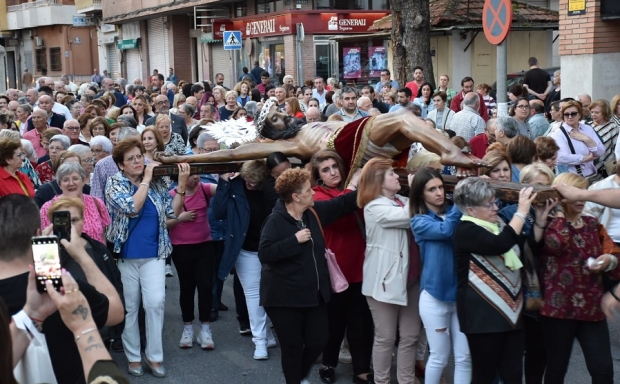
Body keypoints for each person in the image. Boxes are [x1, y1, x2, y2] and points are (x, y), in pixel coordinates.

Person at [156, 97, 486, 178]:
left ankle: (450, 155)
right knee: (400, 115)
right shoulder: (282, 143)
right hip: (347, 147)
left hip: (358, 138)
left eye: (281, 112)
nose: (284, 116)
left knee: (407, 119)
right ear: (270, 131)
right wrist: (179, 158)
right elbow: (228, 156)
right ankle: (450, 155)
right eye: (275, 119)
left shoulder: (313, 122)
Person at [259, 167, 360, 384]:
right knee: (292, 347)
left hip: (314, 296)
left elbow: (341, 204)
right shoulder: (275, 220)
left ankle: (298, 375)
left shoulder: (313, 213)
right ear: (296, 197)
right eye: (308, 190)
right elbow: (265, 253)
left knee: (318, 341)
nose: (314, 193)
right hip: (283, 299)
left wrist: (366, 182)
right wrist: (293, 241)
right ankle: (294, 379)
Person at [105, 138, 189, 378]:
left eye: (139, 156)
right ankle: (133, 357)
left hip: (155, 253)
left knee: (155, 303)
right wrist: (146, 180)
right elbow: (131, 207)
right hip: (126, 256)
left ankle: (154, 356)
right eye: (130, 158)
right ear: (121, 165)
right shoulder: (115, 183)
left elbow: (174, 211)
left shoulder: (157, 183)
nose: (137, 161)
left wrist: (181, 185)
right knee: (130, 308)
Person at [452, 177, 537, 383]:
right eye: (488, 204)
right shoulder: (465, 230)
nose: (495, 207)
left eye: (494, 201)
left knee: (513, 374)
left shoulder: (500, 224)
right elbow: (499, 244)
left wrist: (540, 218)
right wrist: (522, 211)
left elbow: (526, 245)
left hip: (512, 312)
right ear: (471, 210)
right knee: (485, 375)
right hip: (482, 317)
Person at [541, 172, 620, 383]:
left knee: (603, 370)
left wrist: (607, 261)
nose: (583, 199)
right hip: (559, 310)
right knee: (557, 369)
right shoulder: (548, 223)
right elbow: (556, 244)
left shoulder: (592, 224)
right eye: (576, 194)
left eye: (583, 193)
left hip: (591, 307)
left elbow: (613, 255)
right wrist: (558, 214)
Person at [310, 150, 373, 384]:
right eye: (325, 170)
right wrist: (354, 186)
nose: (332, 172)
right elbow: (338, 213)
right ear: (318, 176)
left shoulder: (355, 190)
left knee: (361, 323)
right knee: (333, 322)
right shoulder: (317, 195)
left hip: (361, 265)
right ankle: (328, 363)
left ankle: (362, 369)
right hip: (334, 270)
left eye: (334, 166)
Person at [358, 158, 421, 384]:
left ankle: (406, 381)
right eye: (392, 174)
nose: (397, 177)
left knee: (411, 336)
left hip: (412, 280)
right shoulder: (374, 206)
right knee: (385, 337)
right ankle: (381, 381)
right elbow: (407, 217)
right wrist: (416, 190)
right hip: (384, 281)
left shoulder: (403, 200)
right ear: (379, 181)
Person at [410, 167, 472, 384]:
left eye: (440, 187)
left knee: (465, 357)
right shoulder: (419, 221)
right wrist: (460, 199)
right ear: (421, 194)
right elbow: (446, 231)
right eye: (431, 189)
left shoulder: (457, 211)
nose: (438, 192)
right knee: (439, 357)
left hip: (462, 296)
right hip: (435, 298)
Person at [212, 160, 277, 360]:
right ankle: (259, 341)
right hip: (244, 249)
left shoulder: (269, 188)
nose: (249, 184)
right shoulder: (235, 184)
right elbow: (218, 212)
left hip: (269, 249)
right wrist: (223, 183)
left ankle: (267, 332)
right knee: (253, 295)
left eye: (254, 183)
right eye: (247, 180)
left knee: (271, 293)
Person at [169, 173, 218, 349]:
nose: (195, 177)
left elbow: (222, 190)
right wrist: (179, 218)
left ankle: (205, 329)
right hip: (181, 247)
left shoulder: (204, 189)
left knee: (205, 286)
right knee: (187, 287)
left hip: (205, 245)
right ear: (180, 178)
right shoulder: (171, 195)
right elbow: (163, 223)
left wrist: (227, 176)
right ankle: (187, 327)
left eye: (197, 173)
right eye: (190, 175)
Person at [549, 100, 605, 180]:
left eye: (573, 114)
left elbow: (601, 151)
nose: (570, 116)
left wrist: (586, 139)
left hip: (592, 175)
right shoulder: (558, 133)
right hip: (572, 179)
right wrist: (585, 158)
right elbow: (561, 157)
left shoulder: (587, 129)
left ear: (580, 114)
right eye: (566, 114)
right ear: (562, 116)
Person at [589, 99, 619, 177]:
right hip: (590, 165)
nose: (593, 115)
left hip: (607, 168)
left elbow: (616, 148)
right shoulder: (587, 126)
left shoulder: (612, 126)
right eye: (592, 112)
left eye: (597, 112)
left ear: (604, 113)